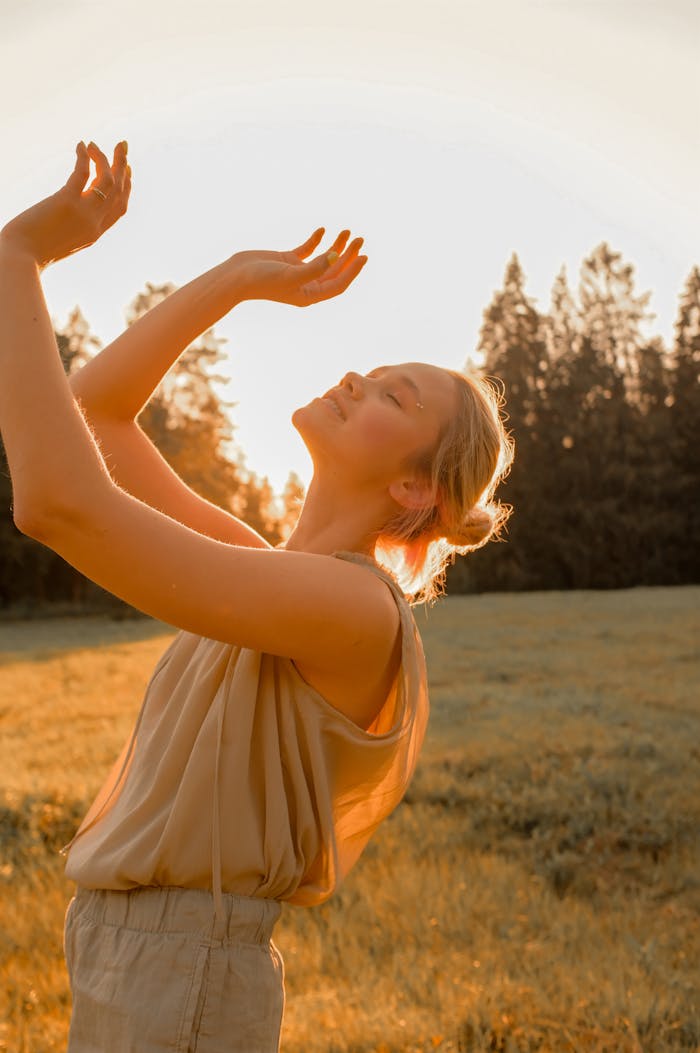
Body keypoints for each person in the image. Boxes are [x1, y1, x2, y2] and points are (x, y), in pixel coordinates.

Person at [0, 139, 514, 1052]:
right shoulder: (266, 573)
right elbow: (98, 412)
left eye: (393, 394)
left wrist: (16, 259)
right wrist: (232, 279)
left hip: (183, 971)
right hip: (130, 952)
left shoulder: (353, 611)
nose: (358, 376)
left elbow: (58, 502)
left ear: (413, 489)